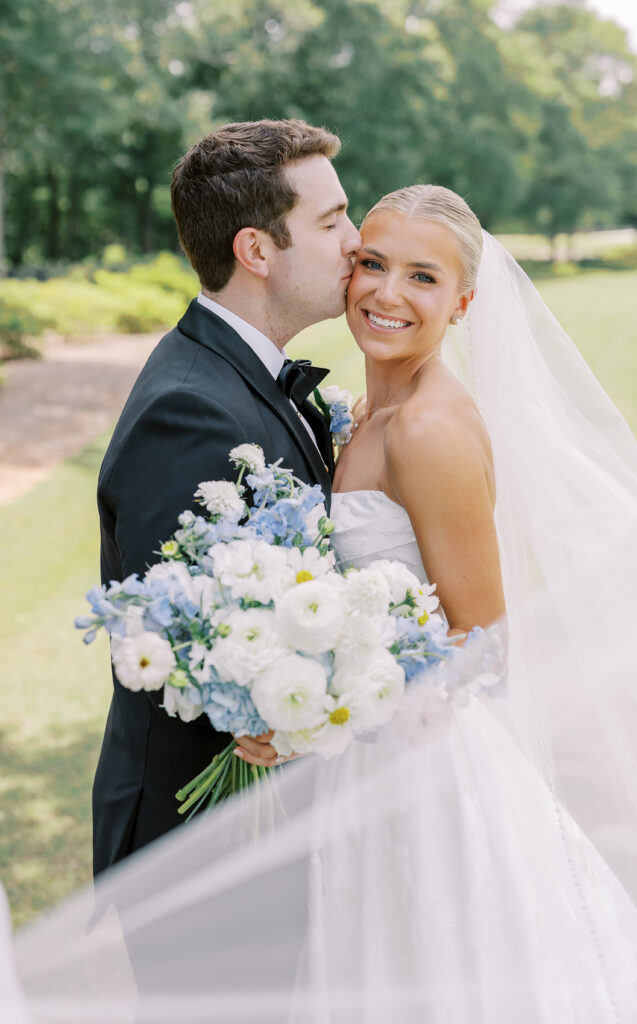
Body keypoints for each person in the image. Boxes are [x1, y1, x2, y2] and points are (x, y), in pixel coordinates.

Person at [8, 186, 637, 1022]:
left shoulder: (425, 431)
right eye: (371, 262)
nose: (386, 293)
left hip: (416, 786)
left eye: (422, 278)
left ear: (464, 303)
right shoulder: (365, 415)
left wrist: (325, 710)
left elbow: (483, 644)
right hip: (355, 783)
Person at [91, 118, 361, 875]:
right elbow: (184, 652)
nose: (356, 241)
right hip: (207, 838)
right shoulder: (190, 409)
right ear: (256, 250)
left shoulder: (237, 376)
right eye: (333, 220)